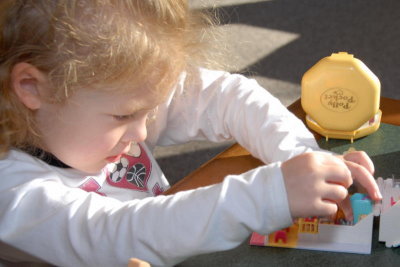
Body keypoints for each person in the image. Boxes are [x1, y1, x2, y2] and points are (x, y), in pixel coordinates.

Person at [0, 0, 381, 266]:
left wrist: (299, 156)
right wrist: (267, 194)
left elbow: (228, 96)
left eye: (150, 110)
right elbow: (120, 235)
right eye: (123, 115)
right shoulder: (14, 193)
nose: (143, 130)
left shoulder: (115, 99)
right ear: (33, 89)